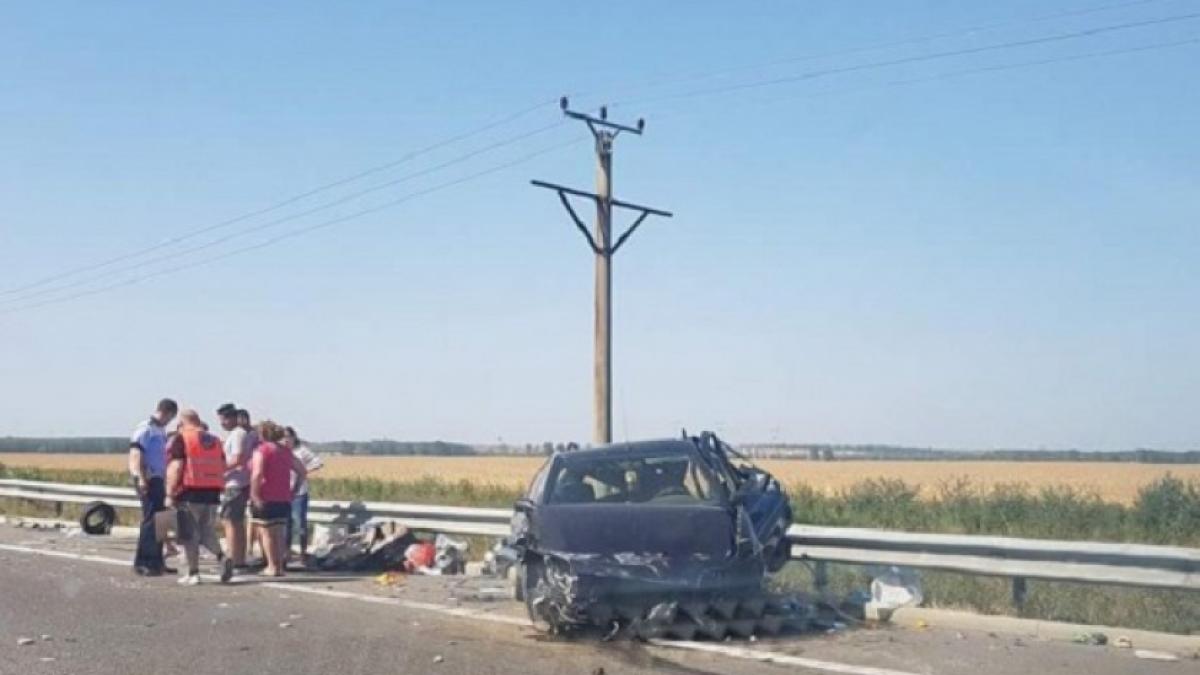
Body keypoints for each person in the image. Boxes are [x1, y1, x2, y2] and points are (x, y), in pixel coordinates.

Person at [165, 409, 234, 585]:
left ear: (182, 421)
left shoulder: (182, 438)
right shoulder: (214, 440)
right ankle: (221, 556)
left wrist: (170, 492)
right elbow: (223, 465)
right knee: (206, 530)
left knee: (189, 535)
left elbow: (177, 466)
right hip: (212, 492)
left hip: (189, 490)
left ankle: (193, 573)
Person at [249, 421, 306, 577]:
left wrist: (254, 495)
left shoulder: (262, 450)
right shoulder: (286, 451)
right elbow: (301, 471)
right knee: (279, 533)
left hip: (266, 496)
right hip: (283, 497)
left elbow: (257, 473)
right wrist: (294, 490)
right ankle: (279, 566)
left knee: (266, 532)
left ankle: (272, 566)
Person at [128, 398, 178, 576]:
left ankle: (158, 561)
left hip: (160, 479)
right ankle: (144, 562)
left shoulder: (160, 430)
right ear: (168, 413)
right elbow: (136, 454)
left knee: (162, 520)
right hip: (148, 478)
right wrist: (140, 477)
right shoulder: (146, 428)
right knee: (150, 521)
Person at [216, 403, 252, 569]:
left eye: (223, 420)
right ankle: (239, 558)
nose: (221, 423)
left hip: (234, 482)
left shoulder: (237, 435)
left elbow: (238, 458)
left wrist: (219, 471)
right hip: (240, 482)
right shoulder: (240, 434)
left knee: (229, 521)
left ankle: (233, 557)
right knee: (237, 522)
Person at [282, 426, 323, 563]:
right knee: (286, 524)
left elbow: (318, 462)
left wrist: (304, 470)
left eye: (288, 436)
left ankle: (303, 552)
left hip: (299, 493)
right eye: (283, 437)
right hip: (284, 491)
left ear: (294, 437)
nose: (285, 439)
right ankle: (286, 552)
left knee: (300, 523)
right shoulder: (282, 452)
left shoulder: (301, 451)